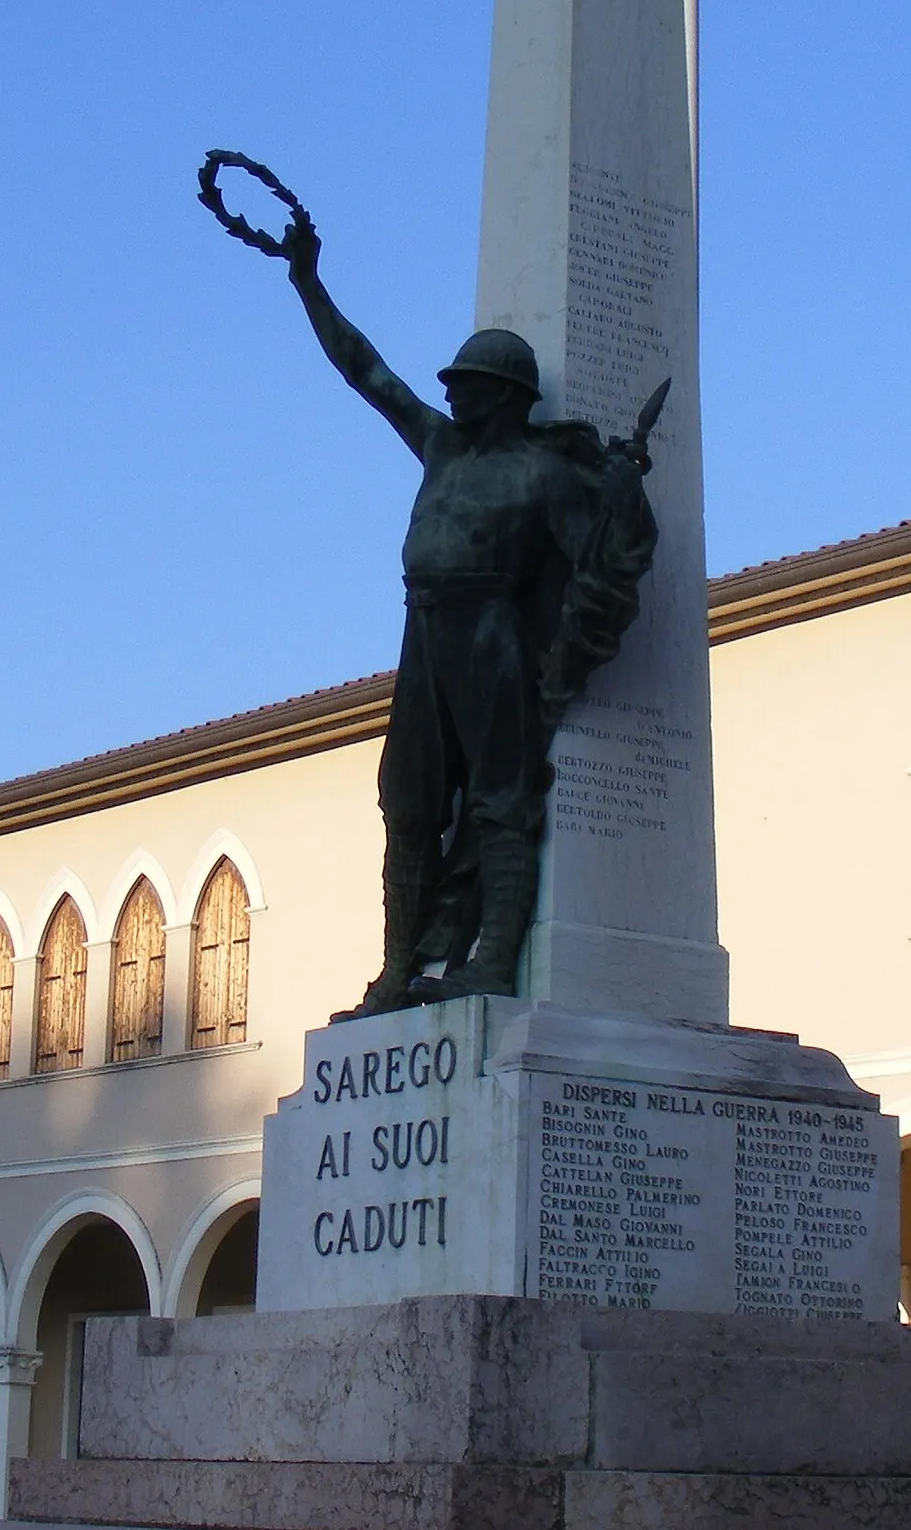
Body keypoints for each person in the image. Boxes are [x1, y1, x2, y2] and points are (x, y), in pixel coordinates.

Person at [282, 211, 659, 1011]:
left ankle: (490, 963)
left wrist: (623, 492)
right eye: (452, 385)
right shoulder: (441, 447)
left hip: (492, 634)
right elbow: (368, 373)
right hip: (423, 630)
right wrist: (309, 283)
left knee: (501, 799)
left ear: (506, 396)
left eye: (468, 386)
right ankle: (396, 969)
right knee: (407, 798)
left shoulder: (544, 475)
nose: (451, 394)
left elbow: (599, 559)